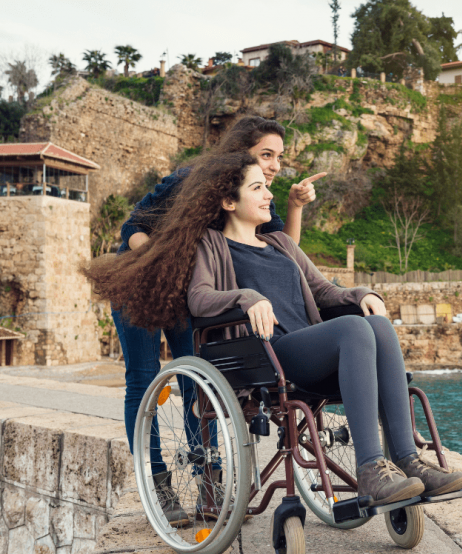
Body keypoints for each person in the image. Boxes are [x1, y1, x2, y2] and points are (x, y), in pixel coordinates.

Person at [85, 141, 462, 509]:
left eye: (267, 187)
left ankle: (408, 459)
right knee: (353, 329)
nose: (269, 194)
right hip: (271, 355)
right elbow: (198, 299)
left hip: (311, 349)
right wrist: (246, 297)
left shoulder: (282, 244)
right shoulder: (212, 245)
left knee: (377, 326)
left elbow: (324, 290)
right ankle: (370, 468)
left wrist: (363, 294)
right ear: (229, 201)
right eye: (258, 188)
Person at [111, 116, 323, 524]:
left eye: (279, 157)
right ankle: (159, 485)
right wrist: (156, 263)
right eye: (266, 154)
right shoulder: (190, 178)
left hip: (191, 290)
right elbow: (133, 226)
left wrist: (294, 205)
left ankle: (211, 483)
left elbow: (282, 252)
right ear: (240, 150)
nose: (275, 165)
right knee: (142, 377)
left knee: (200, 379)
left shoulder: (254, 192)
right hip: (141, 279)